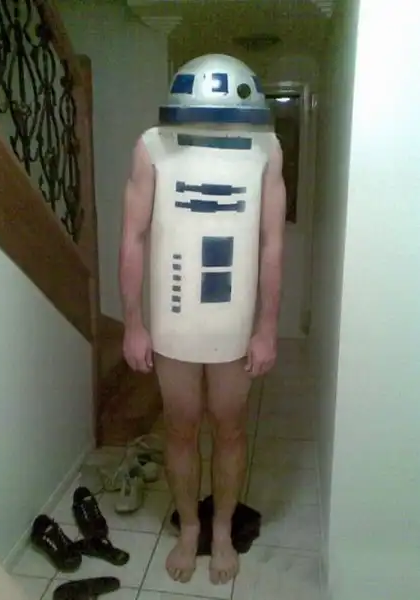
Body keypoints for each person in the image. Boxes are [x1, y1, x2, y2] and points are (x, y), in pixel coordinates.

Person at [119, 54, 286, 585]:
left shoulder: (266, 148)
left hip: (232, 325)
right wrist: (133, 323)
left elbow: (272, 244)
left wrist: (266, 327)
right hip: (174, 323)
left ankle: (221, 530)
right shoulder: (152, 146)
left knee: (230, 428)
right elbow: (133, 237)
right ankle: (190, 528)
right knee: (180, 427)